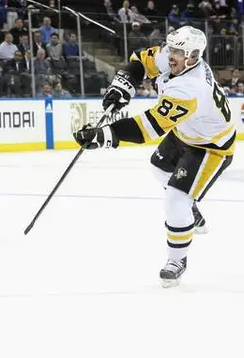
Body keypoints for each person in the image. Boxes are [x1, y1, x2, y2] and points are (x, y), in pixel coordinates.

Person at [73, 26, 235, 288]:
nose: (171, 55)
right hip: (185, 133)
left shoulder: (190, 88)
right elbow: (140, 61)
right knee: (158, 168)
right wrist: (123, 84)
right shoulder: (177, 59)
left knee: (176, 201)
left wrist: (105, 135)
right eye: (172, 49)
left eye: (179, 52)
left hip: (211, 147)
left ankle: (177, 260)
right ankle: (190, 209)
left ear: (193, 56)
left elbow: (148, 128)